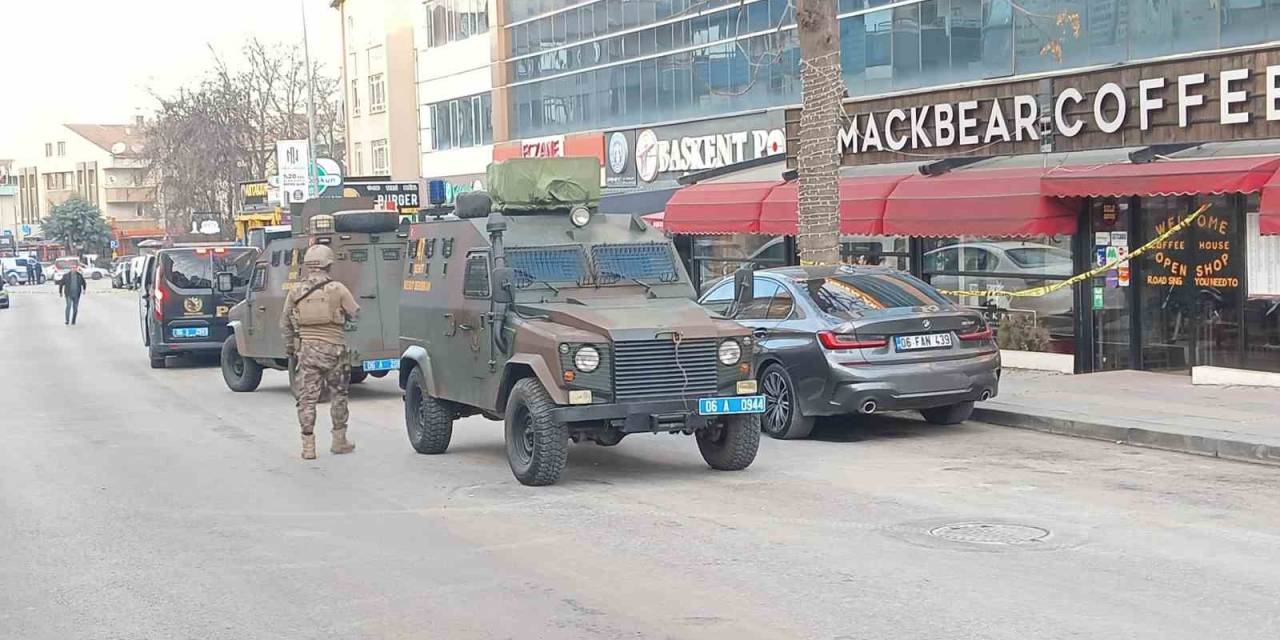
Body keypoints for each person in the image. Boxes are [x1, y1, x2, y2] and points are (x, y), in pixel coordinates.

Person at [281, 244, 360, 460]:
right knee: (339, 395)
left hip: (307, 352)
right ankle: (339, 440)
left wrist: (291, 347)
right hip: (335, 351)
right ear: (328, 264)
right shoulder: (338, 289)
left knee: (307, 399)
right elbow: (355, 313)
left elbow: (285, 322)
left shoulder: (296, 291)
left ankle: (308, 446)